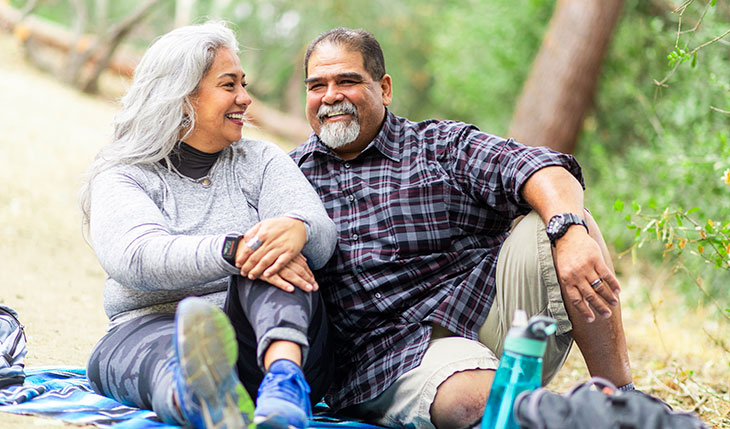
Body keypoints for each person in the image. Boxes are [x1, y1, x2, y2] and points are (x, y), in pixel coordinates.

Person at [287, 27, 635, 429]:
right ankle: (525, 408)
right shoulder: (292, 177)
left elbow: (541, 167)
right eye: (318, 86)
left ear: (384, 88)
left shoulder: (438, 145)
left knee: (565, 223)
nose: (331, 96)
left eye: (347, 81)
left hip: (489, 313)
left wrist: (569, 230)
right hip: (389, 359)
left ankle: (621, 403)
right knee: (477, 403)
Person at [78, 21, 336, 429]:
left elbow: (321, 237)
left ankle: (285, 386)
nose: (246, 98)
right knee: (139, 358)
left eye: (243, 84)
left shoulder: (262, 161)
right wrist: (234, 250)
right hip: (149, 327)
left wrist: (298, 230)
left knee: (271, 255)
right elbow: (136, 256)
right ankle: (203, 401)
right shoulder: (124, 175)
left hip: (273, 343)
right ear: (182, 98)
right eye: (228, 85)